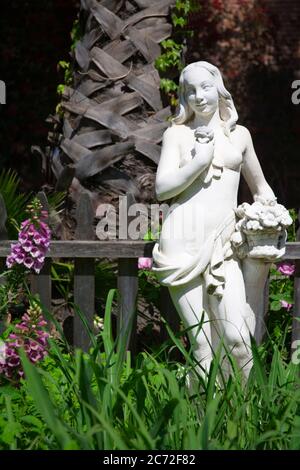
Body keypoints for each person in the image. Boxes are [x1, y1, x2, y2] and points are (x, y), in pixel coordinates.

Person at [152, 61, 276, 382]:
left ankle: (249, 420)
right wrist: (199, 161)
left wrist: (271, 215)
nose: (199, 96)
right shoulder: (177, 134)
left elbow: (262, 189)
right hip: (182, 244)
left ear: (218, 88)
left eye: (205, 87)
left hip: (224, 246)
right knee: (203, 345)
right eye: (190, 90)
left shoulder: (240, 136)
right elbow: (162, 188)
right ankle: (202, 425)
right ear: (183, 96)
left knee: (237, 340)